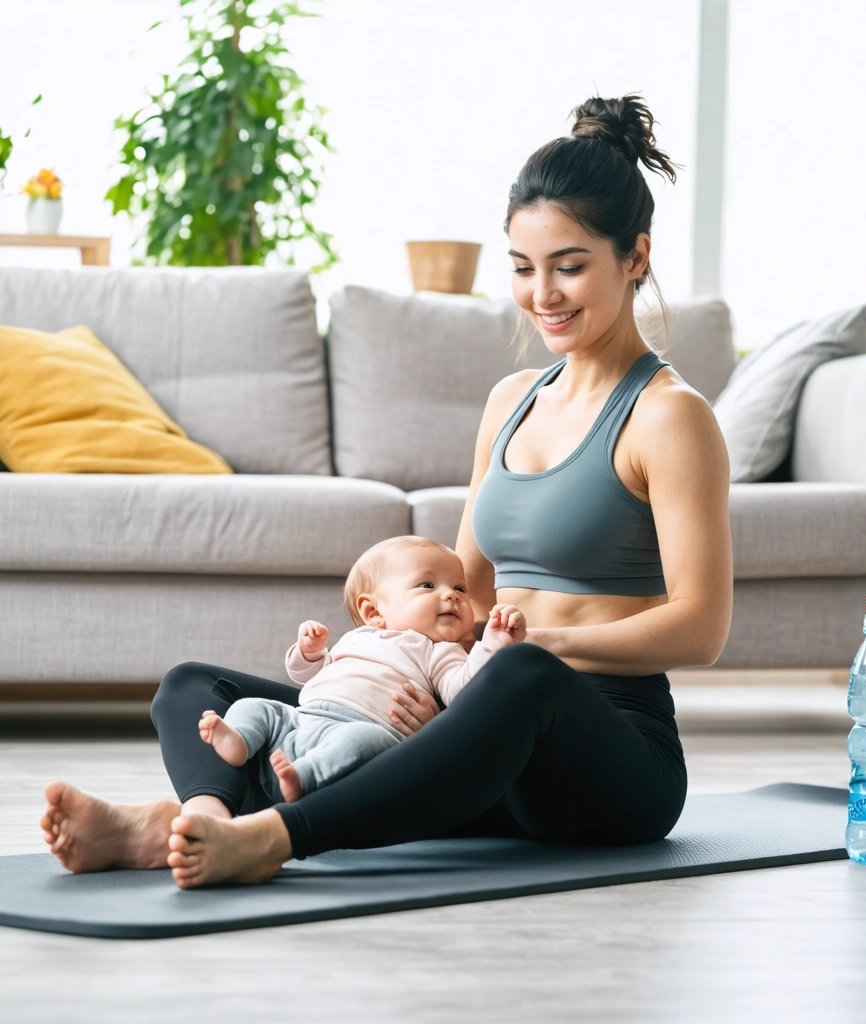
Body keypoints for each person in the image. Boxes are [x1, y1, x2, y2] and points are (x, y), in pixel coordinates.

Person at [39, 92, 733, 889]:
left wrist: (541, 647)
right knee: (198, 687)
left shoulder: (669, 416)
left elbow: (701, 628)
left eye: (569, 267)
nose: (542, 294)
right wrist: (392, 670)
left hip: (608, 755)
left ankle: (272, 838)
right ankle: (203, 816)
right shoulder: (512, 401)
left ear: (635, 257)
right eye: (522, 268)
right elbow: (466, 588)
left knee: (520, 678)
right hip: (477, 716)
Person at [198, 535, 525, 803]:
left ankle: (305, 777)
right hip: (302, 719)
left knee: (365, 740)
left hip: (361, 728)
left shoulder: (440, 652)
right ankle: (239, 740)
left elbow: (465, 689)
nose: (451, 596)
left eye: (460, 588)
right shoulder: (356, 638)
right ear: (373, 611)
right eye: (428, 585)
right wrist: (309, 653)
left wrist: (491, 645)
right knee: (255, 708)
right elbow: (309, 675)